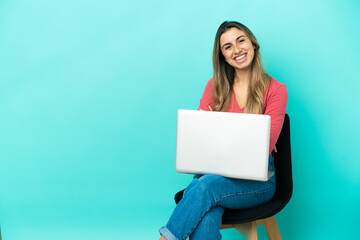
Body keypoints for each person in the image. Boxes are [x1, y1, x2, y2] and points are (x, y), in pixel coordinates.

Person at [158, 21, 288, 240]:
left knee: (205, 186)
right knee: (207, 213)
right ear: (223, 56)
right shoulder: (214, 86)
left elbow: (260, 150)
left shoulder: (275, 90)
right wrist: (248, 134)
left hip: (258, 181)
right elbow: (197, 140)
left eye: (241, 40)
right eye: (227, 47)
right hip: (211, 174)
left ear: (253, 44)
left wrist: (219, 130)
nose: (236, 50)